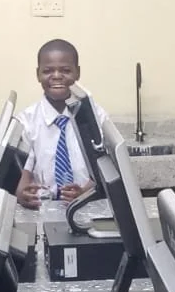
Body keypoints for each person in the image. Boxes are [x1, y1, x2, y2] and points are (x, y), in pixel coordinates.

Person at [15, 39, 110, 208]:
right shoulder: (26, 121)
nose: (57, 76)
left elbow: (105, 169)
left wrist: (86, 193)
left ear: (77, 73)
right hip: (43, 209)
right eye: (47, 71)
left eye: (66, 70)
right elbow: (24, 174)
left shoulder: (96, 116)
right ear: (38, 74)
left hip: (87, 207)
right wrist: (23, 194)